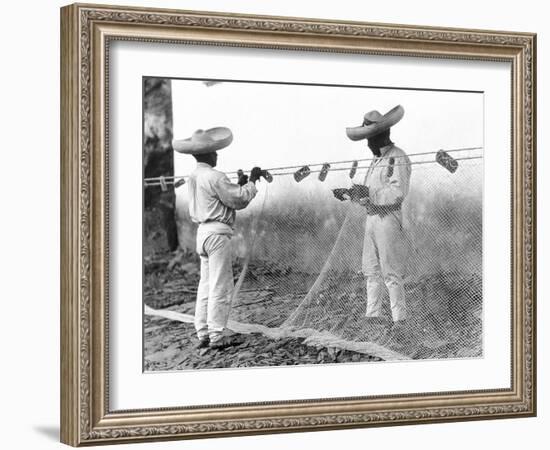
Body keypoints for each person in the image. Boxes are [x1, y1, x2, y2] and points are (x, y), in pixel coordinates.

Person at [173, 127, 262, 350]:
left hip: (202, 233)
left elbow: (223, 197)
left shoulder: (193, 176)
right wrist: (251, 181)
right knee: (220, 285)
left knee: (205, 285)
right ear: (209, 154)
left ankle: (203, 331)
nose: (217, 155)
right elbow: (239, 200)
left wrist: (240, 183)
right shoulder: (216, 176)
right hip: (217, 234)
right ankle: (217, 335)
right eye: (214, 152)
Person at [345, 105, 412, 339]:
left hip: (388, 219)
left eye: (369, 139)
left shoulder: (398, 156)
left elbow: (397, 192)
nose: (367, 144)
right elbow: (370, 190)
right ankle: (372, 316)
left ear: (379, 136)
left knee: (390, 271)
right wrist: (353, 193)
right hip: (371, 219)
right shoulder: (375, 161)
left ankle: (399, 320)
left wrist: (369, 195)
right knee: (371, 270)